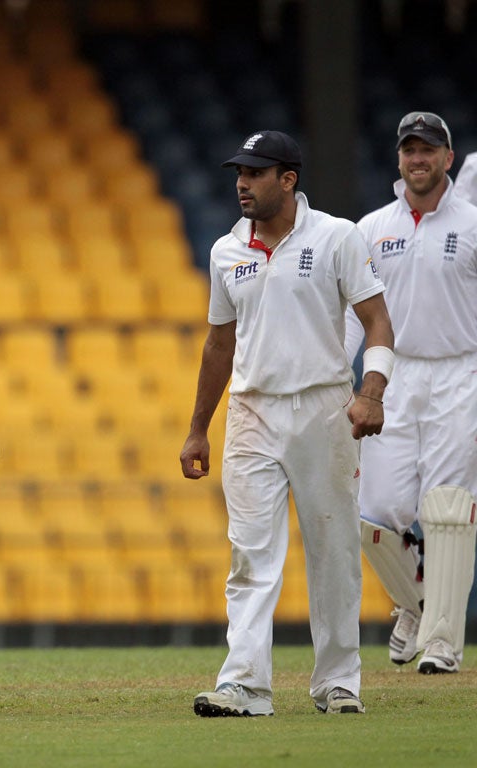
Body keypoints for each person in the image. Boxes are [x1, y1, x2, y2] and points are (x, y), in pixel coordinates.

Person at [179, 131, 395, 717]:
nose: (242, 184)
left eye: (255, 173)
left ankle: (338, 682)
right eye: (238, 174)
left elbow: (376, 321)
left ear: (288, 179)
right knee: (249, 554)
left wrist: (371, 391)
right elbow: (219, 345)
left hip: (324, 407)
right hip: (251, 412)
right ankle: (245, 684)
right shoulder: (227, 250)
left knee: (333, 548)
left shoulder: (336, 237)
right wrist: (198, 427)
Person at [345, 112, 477, 674]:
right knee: (372, 515)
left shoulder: (472, 223)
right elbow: (357, 311)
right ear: (399, 160)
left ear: (449, 158)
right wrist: (335, 376)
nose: (418, 159)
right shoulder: (372, 228)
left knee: (447, 508)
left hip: (460, 371)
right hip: (391, 377)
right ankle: (414, 603)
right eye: (409, 150)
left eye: (430, 150)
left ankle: (443, 642)